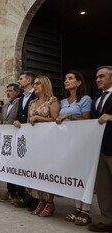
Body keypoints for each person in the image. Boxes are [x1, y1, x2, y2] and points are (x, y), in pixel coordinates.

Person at [55, 70, 92, 225]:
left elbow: (87, 119)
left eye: (70, 78)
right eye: (65, 79)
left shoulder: (85, 99)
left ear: (79, 82)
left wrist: (69, 116)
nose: (66, 81)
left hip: (81, 141)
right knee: (73, 175)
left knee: (84, 174)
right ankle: (77, 208)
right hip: (66, 142)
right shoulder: (62, 102)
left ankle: (86, 210)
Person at [26, 75, 60, 217]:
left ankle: (49, 203)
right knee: (36, 170)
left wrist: (39, 118)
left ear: (45, 84)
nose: (35, 86)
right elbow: (28, 122)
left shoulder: (52, 101)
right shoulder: (32, 102)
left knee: (47, 171)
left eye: (38, 83)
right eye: (34, 84)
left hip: (49, 141)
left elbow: (55, 120)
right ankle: (40, 200)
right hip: (35, 142)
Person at [88, 66, 112, 232]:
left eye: (102, 76)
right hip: (99, 148)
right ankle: (107, 219)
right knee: (103, 188)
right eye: (97, 77)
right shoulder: (96, 99)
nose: (98, 79)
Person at [13, 71, 37, 209]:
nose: (18, 81)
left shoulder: (35, 95)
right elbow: (19, 114)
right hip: (23, 135)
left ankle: (35, 198)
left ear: (28, 81)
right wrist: (16, 120)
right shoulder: (22, 97)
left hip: (33, 134)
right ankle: (27, 196)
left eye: (21, 79)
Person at [0, 84, 21, 202]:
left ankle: (19, 193)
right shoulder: (6, 105)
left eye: (10, 91)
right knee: (8, 164)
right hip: (6, 138)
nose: (8, 93)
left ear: (17, 92)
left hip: (17, 136)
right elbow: (2, 120)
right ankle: (10, 191)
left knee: (16, 164)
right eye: (7, 91)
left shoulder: (20, 103)